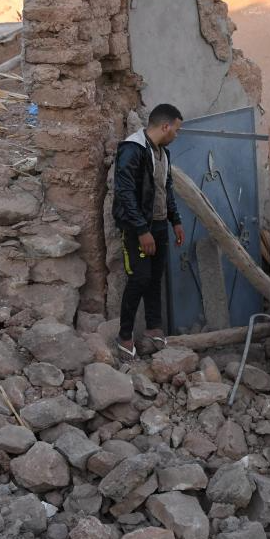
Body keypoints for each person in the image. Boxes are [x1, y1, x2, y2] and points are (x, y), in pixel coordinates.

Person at [112, 103, 186, 358]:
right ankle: (124, 335)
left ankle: (154, 327)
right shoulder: (132, 149)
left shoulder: (163, 153)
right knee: (140, 278)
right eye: (176, 130)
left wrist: (175, 220)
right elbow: (125, 193)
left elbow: (166, 188)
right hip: (137, 228)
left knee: (155, 277)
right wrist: (142, 230)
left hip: (159, 224)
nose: (177, 134)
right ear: (165, 126)